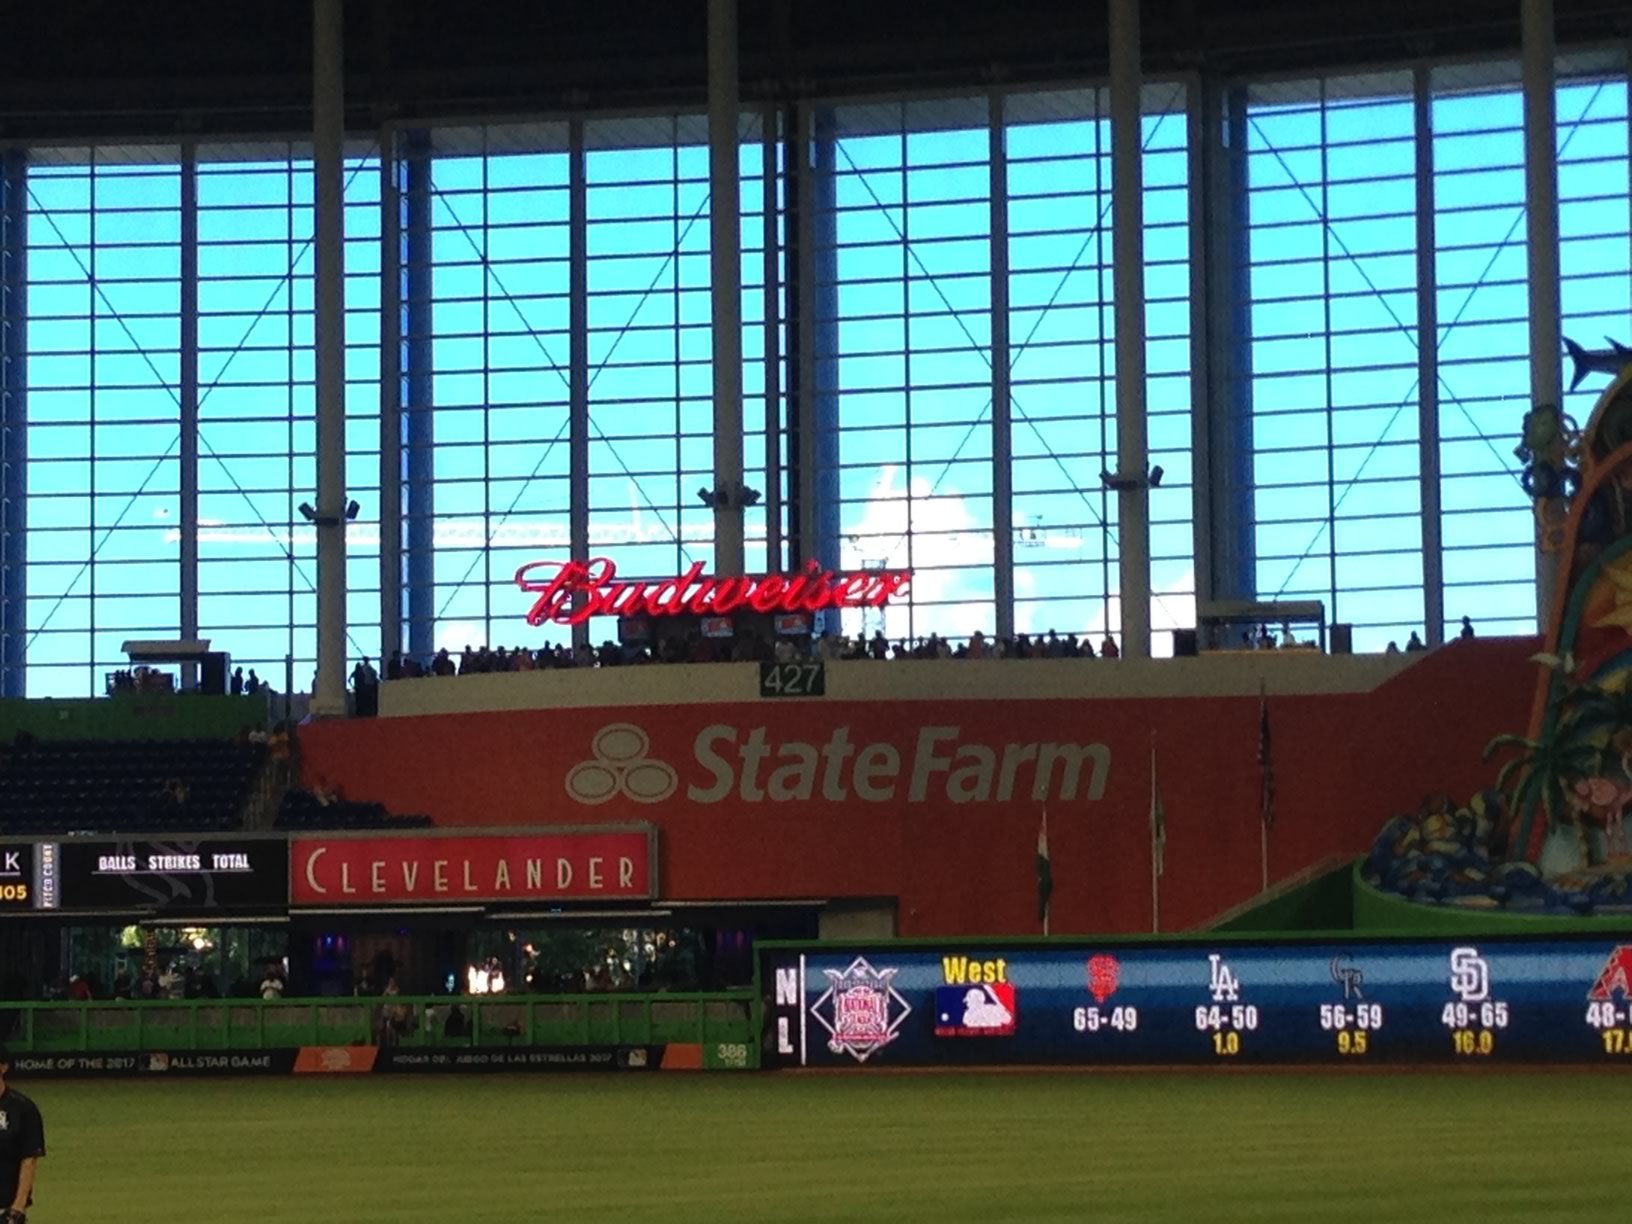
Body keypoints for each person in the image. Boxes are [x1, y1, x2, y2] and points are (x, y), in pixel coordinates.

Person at [0, 1045, 45, 1224]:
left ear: (3, 1067)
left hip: (5, 1205)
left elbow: (29, 1159)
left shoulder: (23, 1109)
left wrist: (18, 1207)